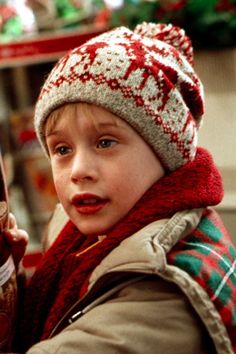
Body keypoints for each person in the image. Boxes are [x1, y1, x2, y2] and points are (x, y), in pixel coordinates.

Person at [3, 22, 236, 353]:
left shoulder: (164, 289)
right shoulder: (82, 242)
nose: (79, 171)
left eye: (105, 142)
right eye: (62, 149)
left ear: (165, 152)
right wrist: (7, 282)